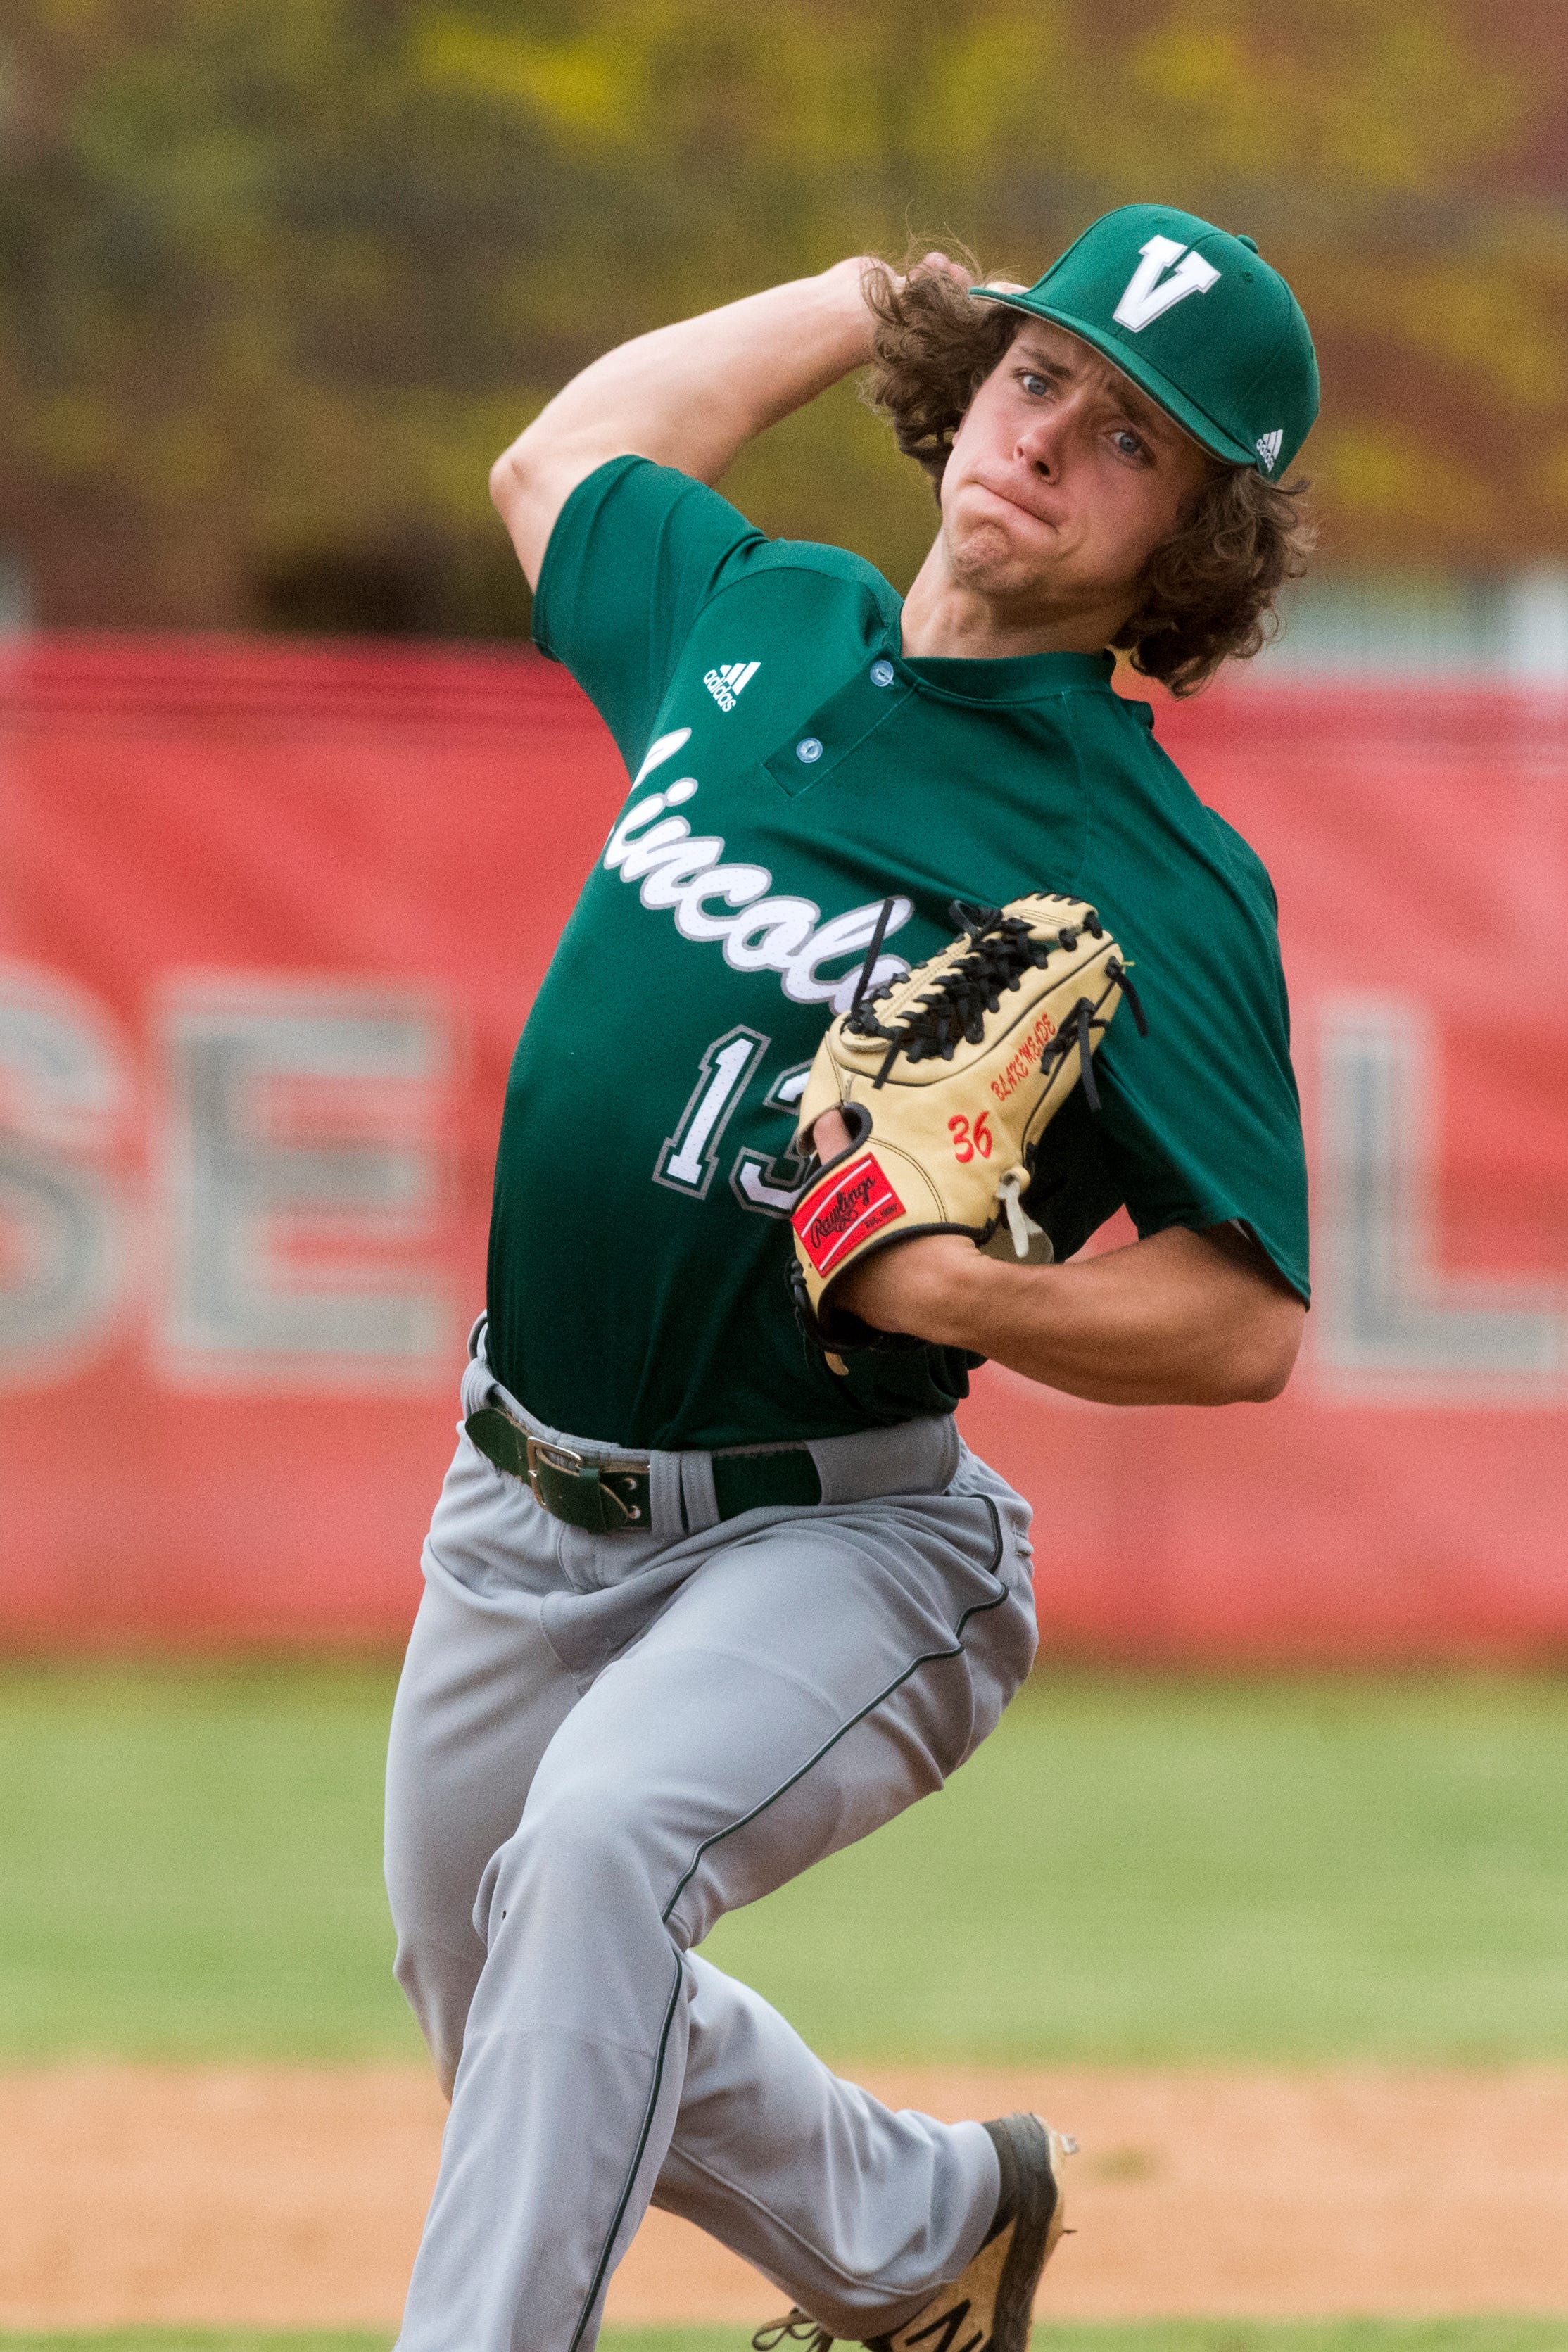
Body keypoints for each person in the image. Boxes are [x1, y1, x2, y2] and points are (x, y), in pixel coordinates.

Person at [384, 204, 1317, 2352]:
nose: (1048, 437)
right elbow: (564, 458)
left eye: (1130, 440)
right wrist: (868, 299)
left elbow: (1242, 1320)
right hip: (514, 1500)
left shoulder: (1146, 866)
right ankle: (925, 2229)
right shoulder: (759, 625)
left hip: (838, 1532)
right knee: (512, 1983)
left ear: (1190, 541)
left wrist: (962, 1297)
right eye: (1034, 377)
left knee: (598, 1865)